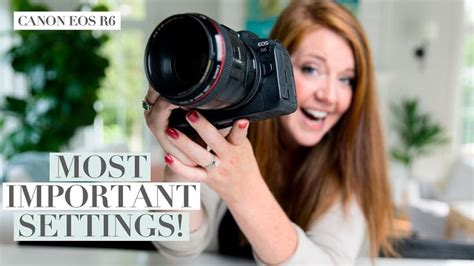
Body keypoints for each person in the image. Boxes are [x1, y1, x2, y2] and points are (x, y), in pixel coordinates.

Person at [143, 0, 394, 264]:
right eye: (311, 69)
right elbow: (179, 245)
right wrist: (180, 159)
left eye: (346, 79)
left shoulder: (348, 167)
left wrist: (243, 188)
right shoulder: (229, 130)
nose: (329, 96)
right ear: (273, 67)